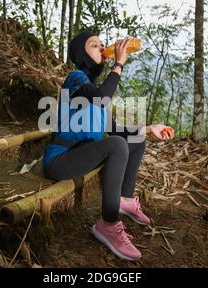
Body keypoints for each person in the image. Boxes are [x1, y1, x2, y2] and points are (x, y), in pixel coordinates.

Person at [43, 31, 174, 261]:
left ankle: (124, 199)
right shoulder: (75, 79)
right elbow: (103, 96)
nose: (102, 48)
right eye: (94, 45)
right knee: (115, 145)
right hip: (60, 161)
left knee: (134, 140)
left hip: (81, 156)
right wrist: (119, 63)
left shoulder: (96, 97)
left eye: (102, 44)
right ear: (81, 54)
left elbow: (119, 131)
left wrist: (150, 128)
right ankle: (108, 223)